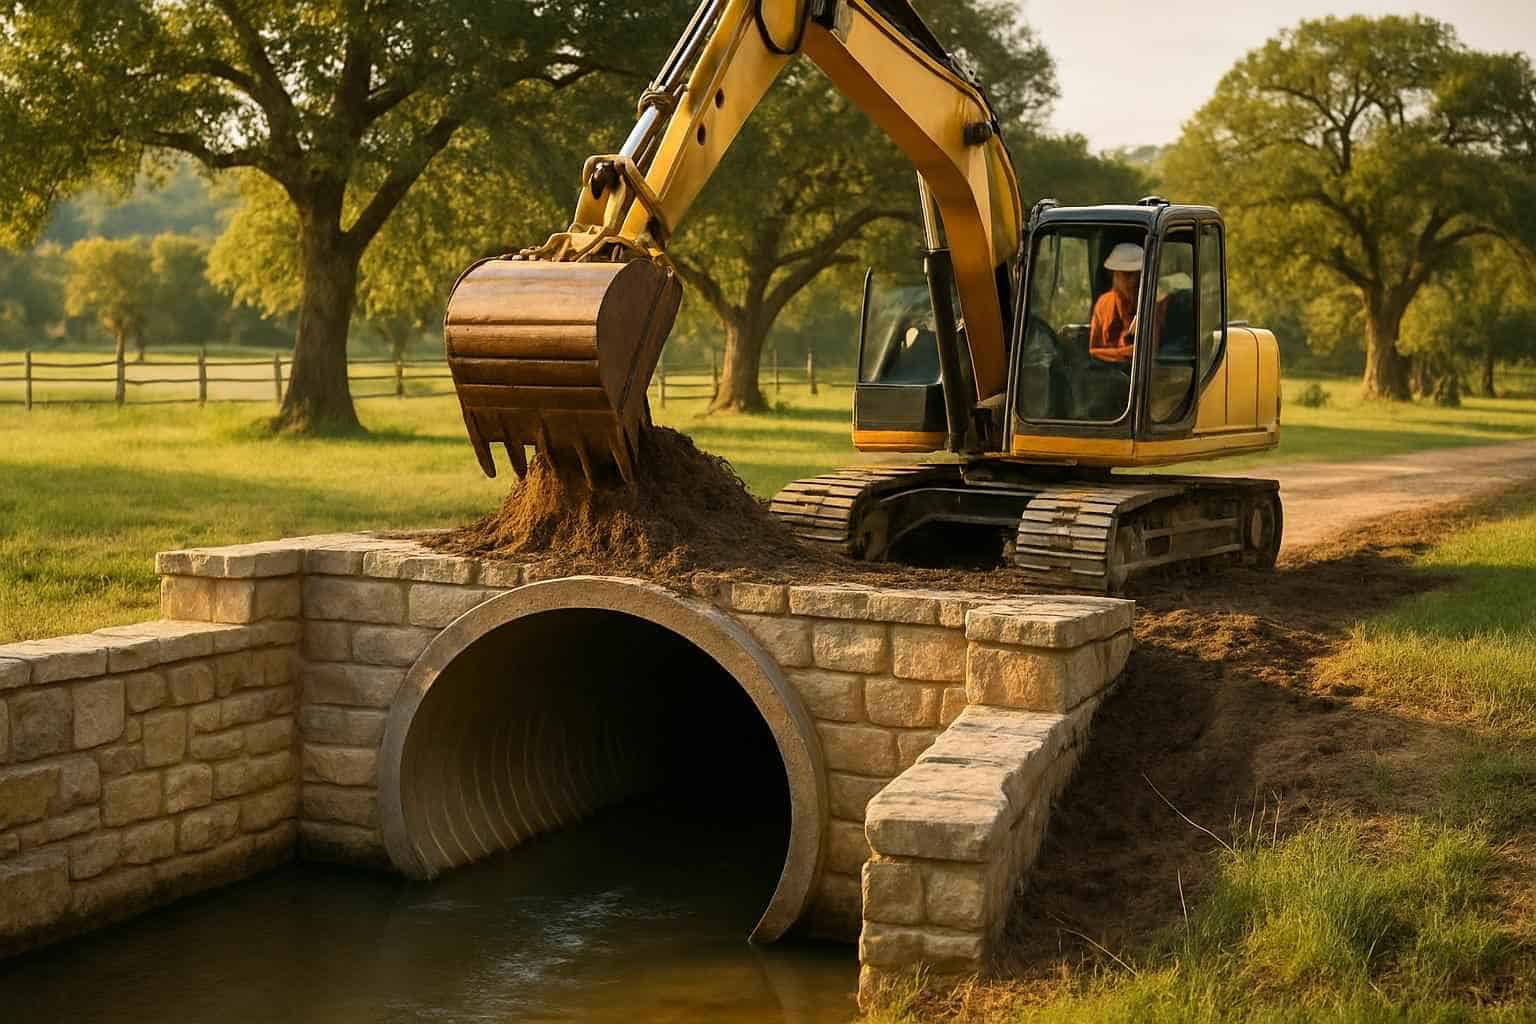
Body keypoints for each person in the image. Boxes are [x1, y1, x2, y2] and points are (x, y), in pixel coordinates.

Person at [1088, 242, 1144, 364]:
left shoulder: (1150, 305)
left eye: (1139, 275)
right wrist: (1124, 352)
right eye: (1127, 275)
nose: (1133, 281)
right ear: (1114, 274)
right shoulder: (1103, 304)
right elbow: (1093, 352)